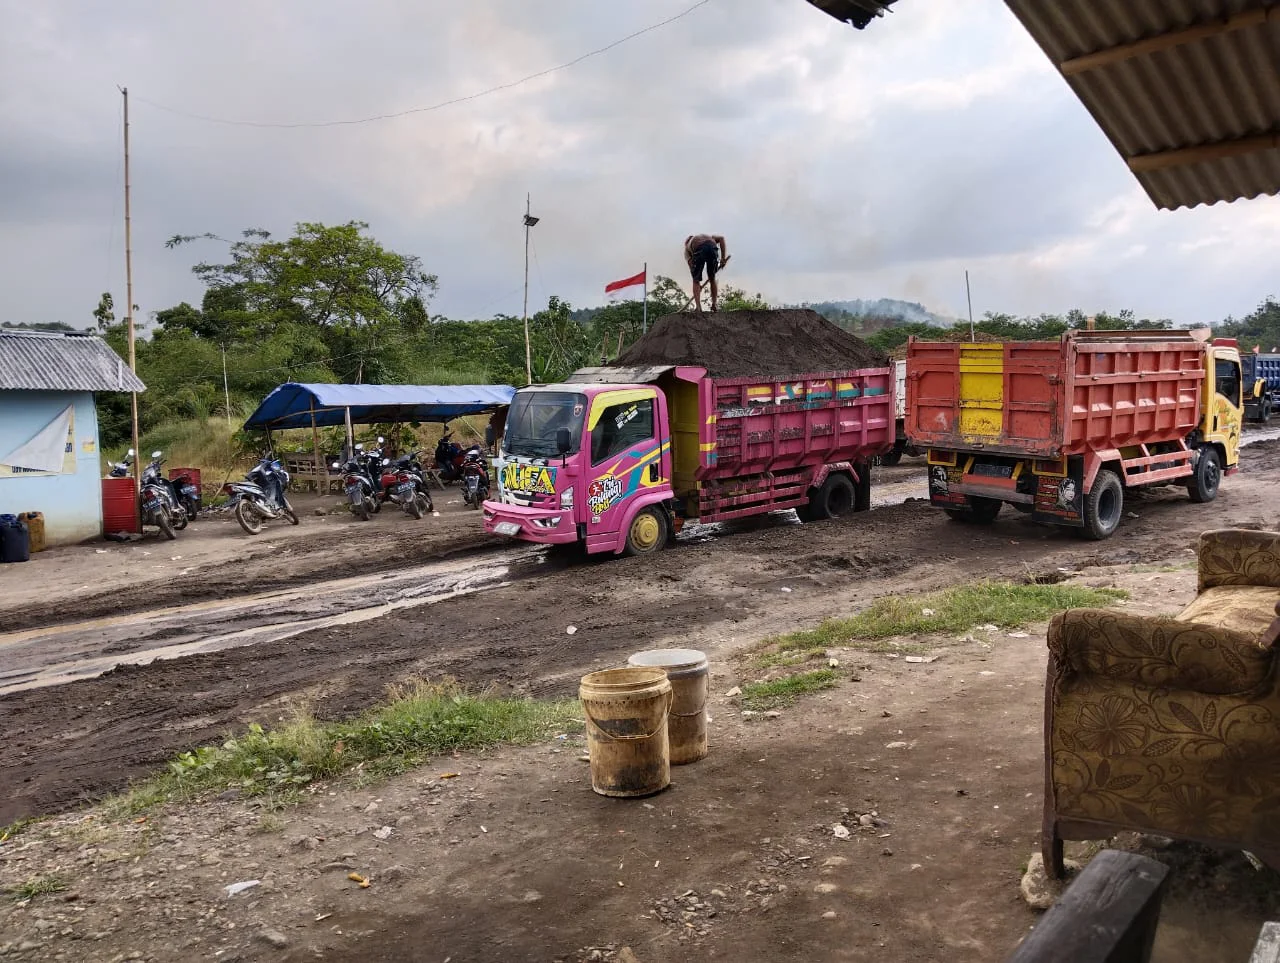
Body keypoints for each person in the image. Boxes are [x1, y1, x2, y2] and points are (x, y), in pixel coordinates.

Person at [684, 234, 728, 313]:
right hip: (712, 247)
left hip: (698, 248)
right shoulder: (710, 237)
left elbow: (692, 268)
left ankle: (698, 308)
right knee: (712, 279)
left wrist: (697, 284)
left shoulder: (687, 249)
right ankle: (714, 305)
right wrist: (722, 259)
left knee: (695, 280)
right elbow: (721, 238)